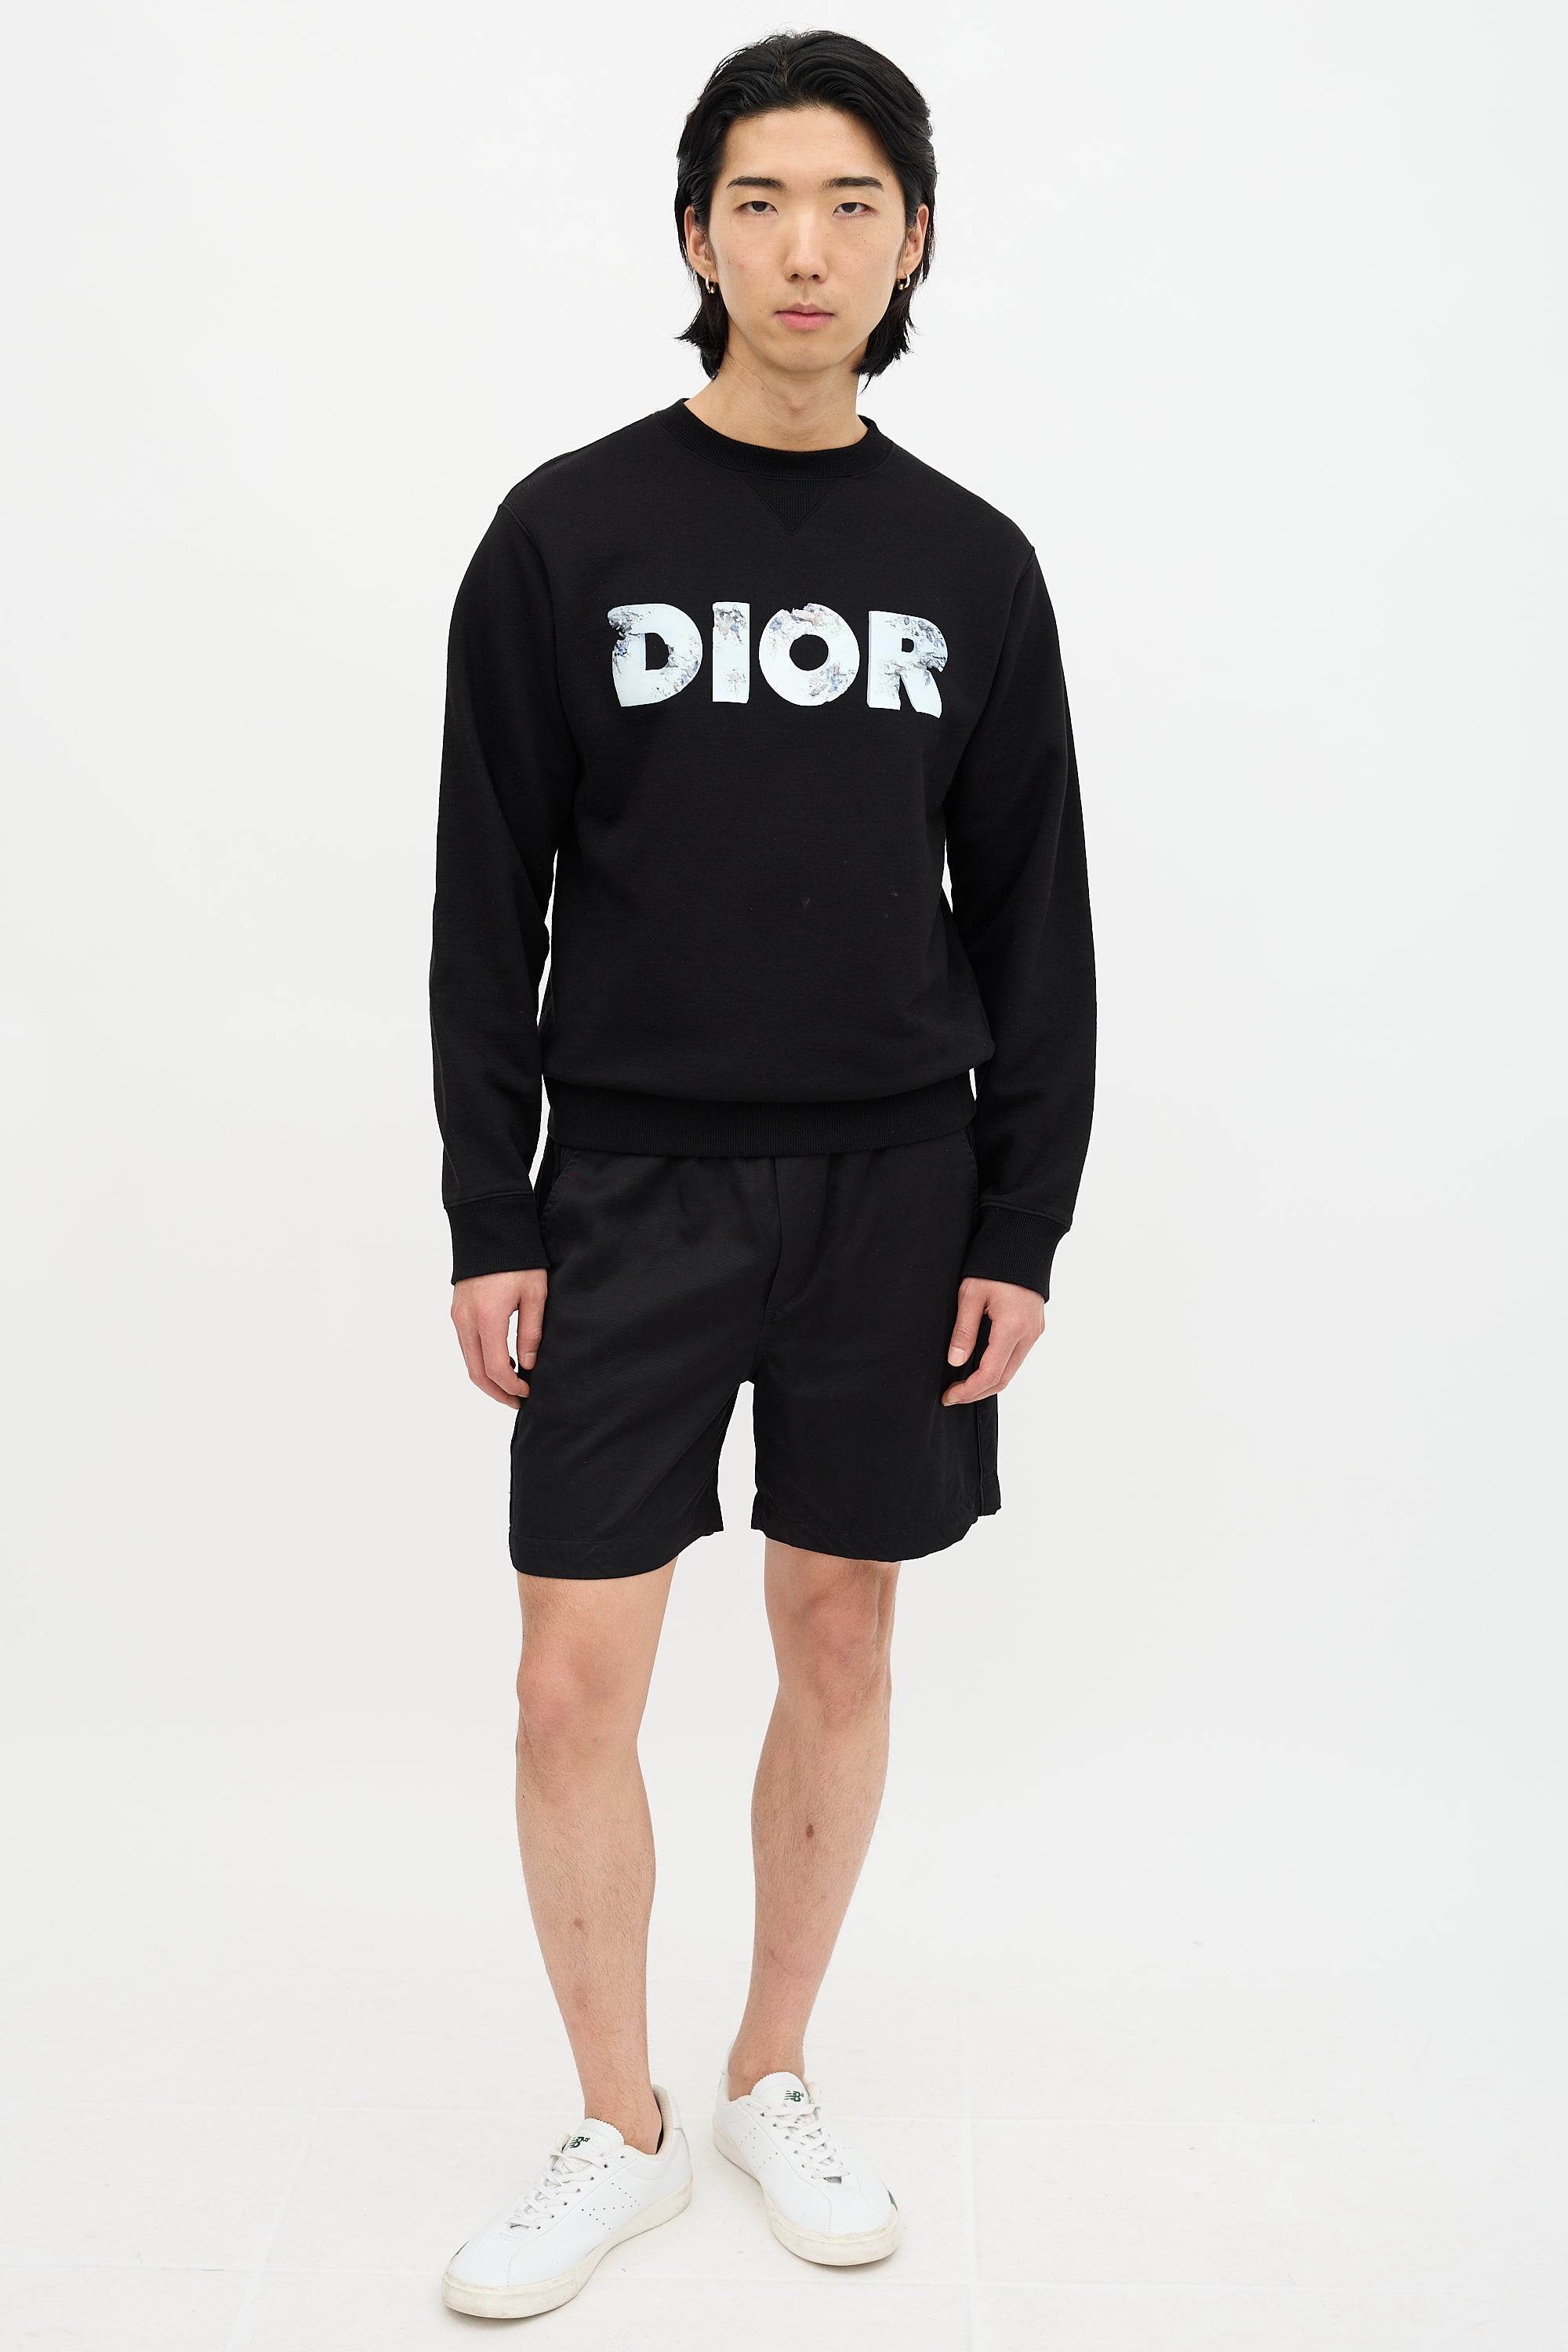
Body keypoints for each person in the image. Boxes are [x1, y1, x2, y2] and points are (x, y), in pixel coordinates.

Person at [430, 28, 1095, 2321]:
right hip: (624, 1185)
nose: (804, 247)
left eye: (851, 203)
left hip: (896, 1187)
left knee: (840, 1631)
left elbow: (1033, 918)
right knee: (567, 1682)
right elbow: (484, 898)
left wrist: (1020, 1221)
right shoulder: (566, 534)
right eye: (758, 201)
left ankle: (768, 2070)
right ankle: (613, 2127)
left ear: (915, 240)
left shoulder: (972, 564)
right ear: (697, 234)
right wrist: (489, 1209)